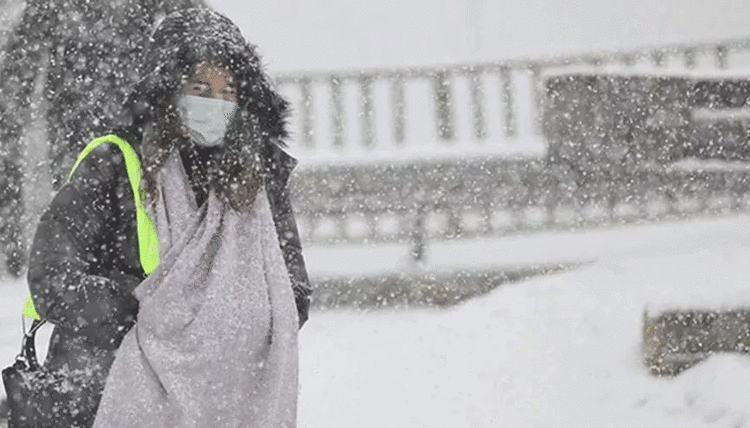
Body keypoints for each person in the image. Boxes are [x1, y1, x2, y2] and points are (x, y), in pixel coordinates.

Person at [26, 7, 311, 428]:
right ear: (167, 90)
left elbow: (293, 293)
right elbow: (52, 275)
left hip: (224, 399)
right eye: (200, 88)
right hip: (108, 390)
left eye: (228, 91)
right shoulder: (115, 164)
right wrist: (143, 315)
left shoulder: (256, 179)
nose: (215, 103)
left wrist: (216, 325)